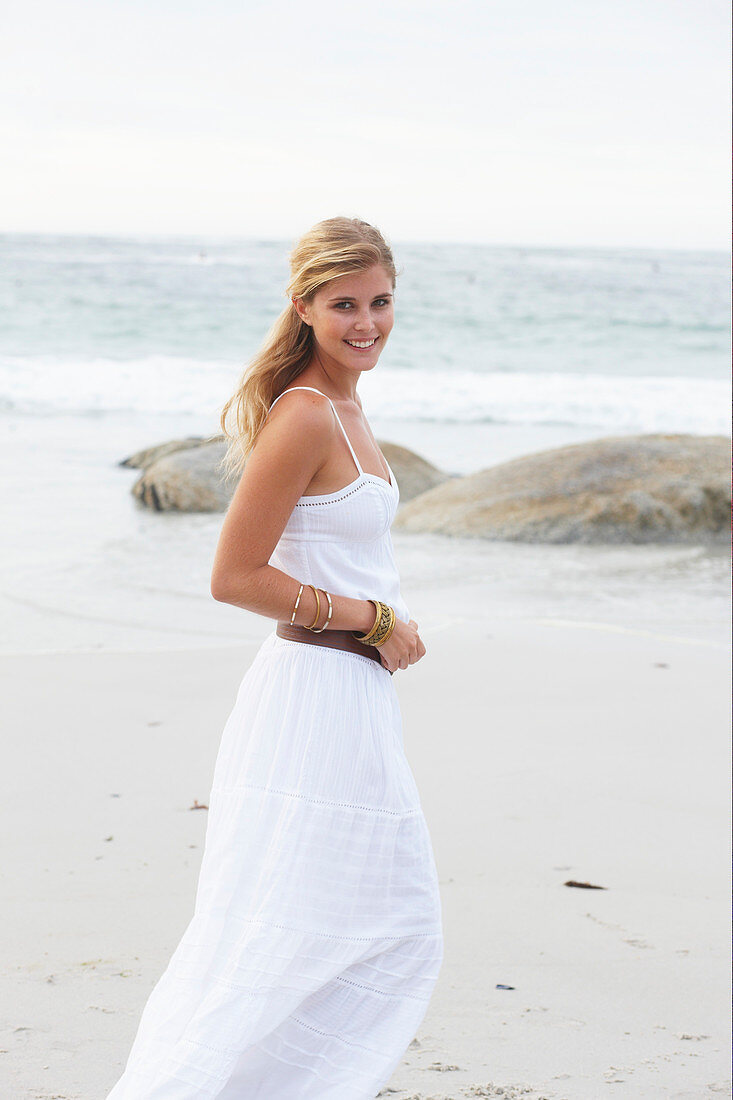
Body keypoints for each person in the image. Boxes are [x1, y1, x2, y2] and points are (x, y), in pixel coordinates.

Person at [107, 216, 444, 1099]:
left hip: (347, 695)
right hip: (312, 693)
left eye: (380, 302)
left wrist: (372, 629)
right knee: (339, 925)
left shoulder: (347, 406)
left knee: (336, 922)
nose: (366, 322)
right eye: (344, 305)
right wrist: (372, 620)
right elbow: (232, 576)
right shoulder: (303, 414)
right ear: (302, 306)